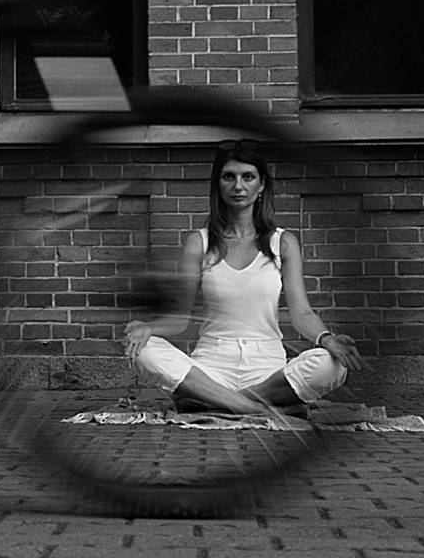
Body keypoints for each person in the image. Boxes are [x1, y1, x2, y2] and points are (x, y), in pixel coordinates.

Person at [123, 138, 364, 416]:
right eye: (229, 177)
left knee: (332, 364)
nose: (238, 186)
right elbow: (180, 319)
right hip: (212, 366)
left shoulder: (282, 242)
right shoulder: (199, 242)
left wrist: (327, 339)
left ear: (261, 185)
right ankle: (256, 407)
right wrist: (147, 328)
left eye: (248, 177)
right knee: (145, 351)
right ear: (218, 184)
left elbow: (302, 314)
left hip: (267, 369)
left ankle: (214, 402)